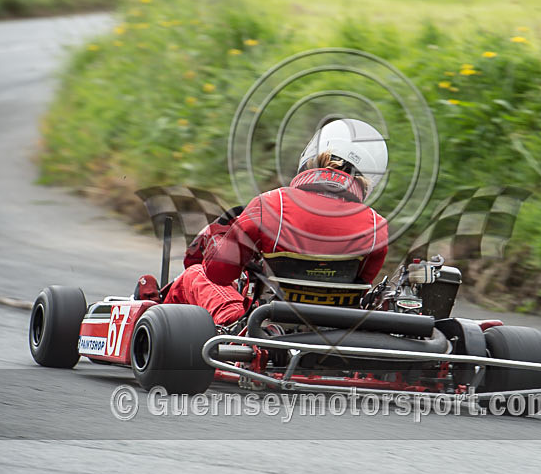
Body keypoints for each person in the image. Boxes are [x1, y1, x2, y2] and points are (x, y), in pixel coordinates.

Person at [136, 118, 389, 326]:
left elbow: (219, 273)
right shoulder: (377, 226)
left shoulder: (271, 204)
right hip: (333, 329)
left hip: (262, 323)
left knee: (196, 274)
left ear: (313, 156)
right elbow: (359, 289)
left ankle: (153, 318)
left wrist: (219, 237)